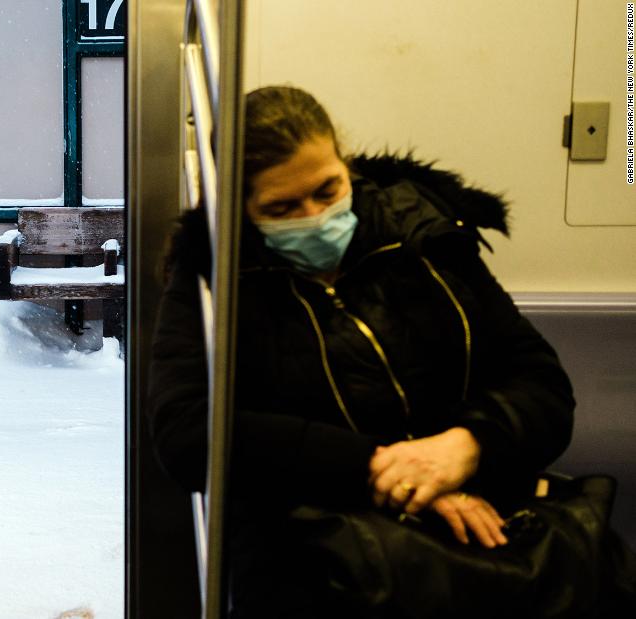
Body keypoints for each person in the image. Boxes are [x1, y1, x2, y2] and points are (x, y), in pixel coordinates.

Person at [148, 86, 574, 615]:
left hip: (480, 532)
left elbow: (539, 381)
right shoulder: (214, 283)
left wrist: (465, 447)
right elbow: (186, 433)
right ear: (237, 208)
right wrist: (382, 470)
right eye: (281, 208)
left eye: (328, 191)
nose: (314, 216)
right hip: (316, 560)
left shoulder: (423, 237)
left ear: (344, 163)